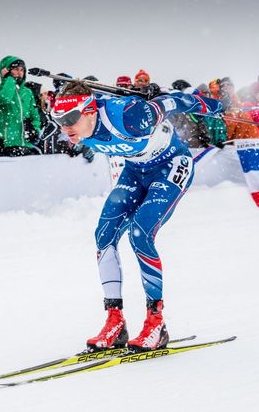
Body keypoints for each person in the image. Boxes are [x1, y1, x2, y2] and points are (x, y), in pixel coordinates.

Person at [50, 80, 222, 352]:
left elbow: (174, 101)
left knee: (140, 234)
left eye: (70, 118)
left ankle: (156, 323)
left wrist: (211, 106)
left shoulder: (130, 116)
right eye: (58, 119)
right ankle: (115, 321)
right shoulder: (79, 130)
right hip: (135, 171)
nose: (65, 127)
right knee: (104, 236)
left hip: (171, 165)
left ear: (90, 111)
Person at [0, 56, 41, 156]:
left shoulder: (28, 92)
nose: (19, 72)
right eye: (16, 69)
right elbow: (5, 98)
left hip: (26, 144)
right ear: (6, 70)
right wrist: (9, 79)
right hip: (6, 144)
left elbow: (35, 115)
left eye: (22, 70)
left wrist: (35, 130)